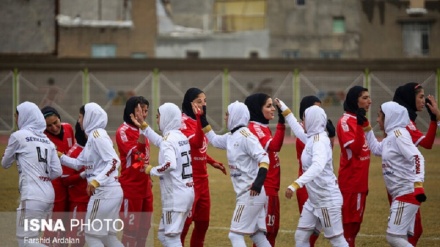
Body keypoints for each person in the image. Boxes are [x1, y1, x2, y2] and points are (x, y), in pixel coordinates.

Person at [202, 101, 271, 247]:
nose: (225, 117)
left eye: (227, 114)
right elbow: (214, 140)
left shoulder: (246, 136)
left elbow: (264, 157)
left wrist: (258, 183)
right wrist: (202, 117)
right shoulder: (231, 136)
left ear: (236, 115)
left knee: (234, 235)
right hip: (251, 194)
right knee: (257, 235)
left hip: (251, 193)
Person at [59, 103, 123, 247]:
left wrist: (96, 181)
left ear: (89, 117)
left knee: (92, 236)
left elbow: (114, 161)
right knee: (110, 238)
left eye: (81, 117)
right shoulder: (93, 138)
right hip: (110, 192)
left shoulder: (96, 135)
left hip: (104, 193)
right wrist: (58, 155)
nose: (79, 121)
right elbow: (77, 163)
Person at [284, 105, 348, 247]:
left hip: (326, 200)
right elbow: (296, 127)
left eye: (305, 119)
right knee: (300, 237)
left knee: (337, 240)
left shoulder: (319, 142)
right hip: (314, 201)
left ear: (312, 120)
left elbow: (317, 166)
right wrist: (283, 107)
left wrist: (296, 184)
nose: (303, 122)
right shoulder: (311, 138)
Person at [364, 101, 425, 247]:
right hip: (401, 195)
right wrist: (366, 128)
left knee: (393, 238)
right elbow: (377, 149)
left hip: (406, 194)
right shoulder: (391, 136)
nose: (377, 120)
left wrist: (418, 184)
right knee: (401, 238)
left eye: (379, 116)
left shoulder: (399, 135)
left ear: (389, 117)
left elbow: (417, 157)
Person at [2, 101, 62, 247]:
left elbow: (5, 163)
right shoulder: (47, 141)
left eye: (17, 116)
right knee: (33, 239)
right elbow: (57, 171)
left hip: (31, 196)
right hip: (48, 195)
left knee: (25, 242)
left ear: (25, 116)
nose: (16, 120)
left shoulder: (18, 136)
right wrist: (43, 178)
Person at [392, 82, 440, 246]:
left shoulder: (407, 120)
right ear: (409, 98)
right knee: (408, 232)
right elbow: (425, 146)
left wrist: (434, 119)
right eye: (420, 97)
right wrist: (435, 119)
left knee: (413, 230)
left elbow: (425, 143)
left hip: (406, 180)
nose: (423, 101)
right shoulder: (403, 123)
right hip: (404, 183)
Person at [142, 102, 195, 247]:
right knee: (163, 235)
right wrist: (144, 127)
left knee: (171, 238)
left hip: (175, 196)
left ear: (167, 117)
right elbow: (161, 142)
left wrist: (150, 170)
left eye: (159, 117)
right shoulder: (180, 136)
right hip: (186, 192)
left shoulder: (169, 140)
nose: (157, 120)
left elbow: (170, 165)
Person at [180, 88, 226, 247]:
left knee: (203, 224)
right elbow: (196, 143)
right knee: (184, 226)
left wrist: (211, 161)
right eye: (199, 102)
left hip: (203, 181)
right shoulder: (182, 122)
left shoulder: (199, 120)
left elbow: (200, 150)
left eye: (205, 101)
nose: (203, 105)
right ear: (189, 103)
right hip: (189, 182)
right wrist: (200, 119)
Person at [244, 93, 285, 246]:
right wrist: (282, 121)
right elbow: (275, 146)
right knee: (267, 233)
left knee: (270, 232)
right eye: (268, 106)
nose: (273, 109)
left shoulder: (262, 127)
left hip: (271, 187)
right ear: (256, 109)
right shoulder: (255, 127)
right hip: (266, 188)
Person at [294, 95, 336, 246]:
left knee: (315, 232)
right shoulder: (305, 131)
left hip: (320, 185)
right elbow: (317, 159)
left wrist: (331, 136)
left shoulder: (317, 132)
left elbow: (327, 155)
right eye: (315, 108)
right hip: (306, 185)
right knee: (310, 233)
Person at [115, 96, 154, 247]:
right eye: (140, 111)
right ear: (131, 112)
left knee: (145, 229)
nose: (143, 115)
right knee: (131, 230)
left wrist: (150, 178)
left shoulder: (143, 129)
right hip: (131, 188)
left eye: (145, 111)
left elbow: (145, 159)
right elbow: (138, 155)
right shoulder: (123, 131)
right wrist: (143, 130)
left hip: (145, 188)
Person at [336, 86, 372, 247]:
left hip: (361, 183)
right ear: (354, 100)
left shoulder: (361, 120)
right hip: (351, 183)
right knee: (349, 229)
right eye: (364, 98)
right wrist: (359, 124)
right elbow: (356, 149)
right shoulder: (345, 122)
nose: (369, 101)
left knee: (355, 227)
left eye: (369, 97)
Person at [41, 106, 75, 244]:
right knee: (54, 222)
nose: (54, 128)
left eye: (55, 122)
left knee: (68, 224)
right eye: (49, 125)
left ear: (60, 118)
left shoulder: (68, 128)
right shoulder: (42, 138)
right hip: (55, 185)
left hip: (72, 182)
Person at [60, 122, 90, 247]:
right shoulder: (73, 152)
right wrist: (82, 175)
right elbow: (65, 180)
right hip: (80, 202)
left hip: (96, 201)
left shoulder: (97, 148)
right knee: (77, 239)